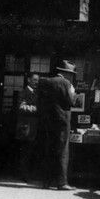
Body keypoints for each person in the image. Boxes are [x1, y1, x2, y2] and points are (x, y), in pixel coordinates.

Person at [38, 60, 76, 190]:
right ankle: (62, 182)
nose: (72, 76)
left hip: (49, 120)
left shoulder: (47, 82)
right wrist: (73, 92)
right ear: (67, 73)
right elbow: (71, 102)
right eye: (71, 74)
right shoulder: (66, 83)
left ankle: (46, 182)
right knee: (62, 151)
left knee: (49, 150)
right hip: (63, 121)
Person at [15, 72, 39, 182]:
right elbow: (22, 107)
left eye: (37, 80)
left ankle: (30, 174)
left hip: (35, 127)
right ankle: (24, 175)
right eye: (34, 80)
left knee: (32, 152)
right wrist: (37, 109)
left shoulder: (38, 93)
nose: (36, 82)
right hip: (26, 127)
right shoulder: (23, 93)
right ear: (28, 80)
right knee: (26, 153)